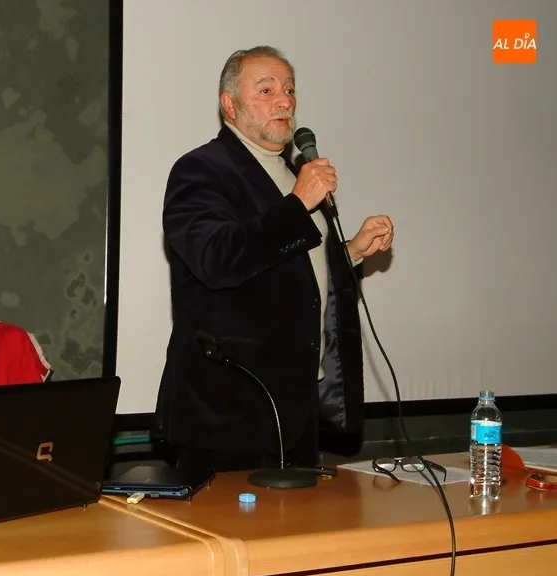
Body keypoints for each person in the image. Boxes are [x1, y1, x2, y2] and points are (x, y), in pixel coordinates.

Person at [155, 46, 394, 473]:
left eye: (290, 89)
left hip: (297, 408)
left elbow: (286, 270)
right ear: (230, 105)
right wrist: (298, 204)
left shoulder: (293, 176)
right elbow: (216, 259)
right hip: (226, 414)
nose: (284, 101)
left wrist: (350, 253)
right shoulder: (201, 170)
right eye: (266, 90)